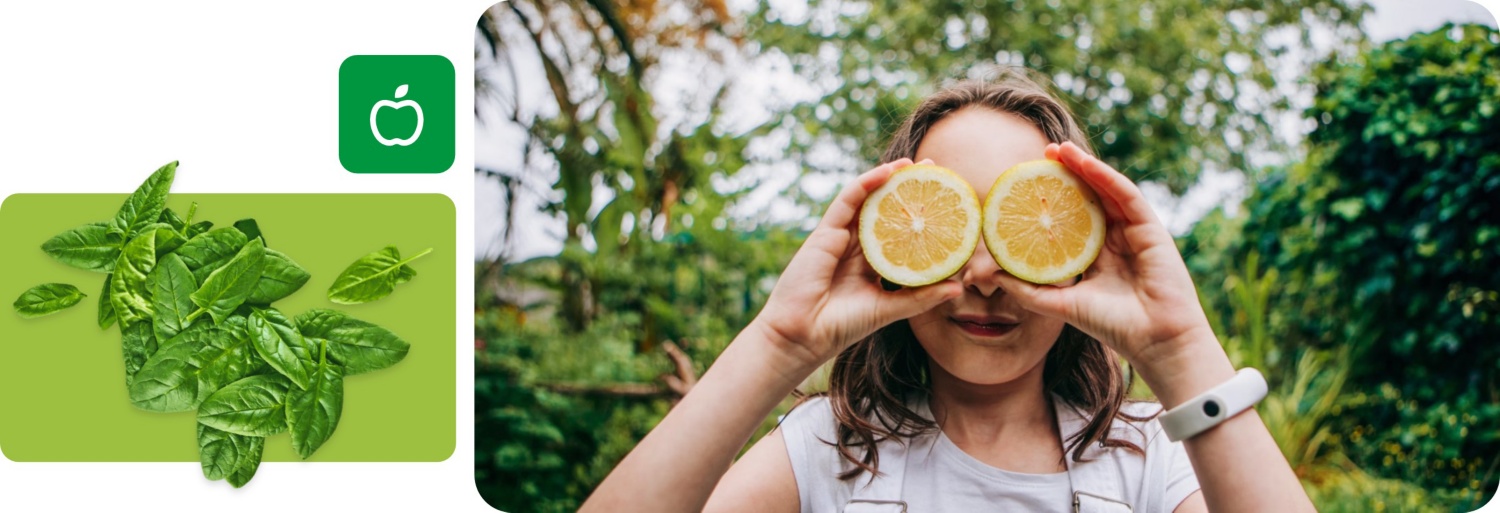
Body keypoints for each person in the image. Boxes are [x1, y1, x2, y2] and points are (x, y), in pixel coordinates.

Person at [580, 69, 1312, 513]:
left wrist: (1179, 347)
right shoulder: (826, 453)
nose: (986, 274)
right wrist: (780, 342)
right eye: (955, 225)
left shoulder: (1154, 459)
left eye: (1018, 228)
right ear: (891, 244)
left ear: (1081, 248)